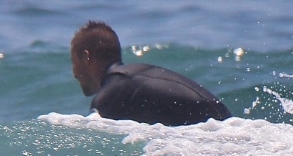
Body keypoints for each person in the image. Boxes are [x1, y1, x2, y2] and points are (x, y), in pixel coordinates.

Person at [70, 21, 232, 125]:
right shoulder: (134, 79)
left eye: (74, 63)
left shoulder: (111, 95)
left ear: (87, 57)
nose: (74, 73)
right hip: (226, 124)